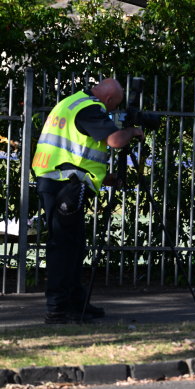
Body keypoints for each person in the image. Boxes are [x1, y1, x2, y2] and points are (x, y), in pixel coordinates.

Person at [32, 78, 144, 324]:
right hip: (64, 185)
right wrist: (132, 131)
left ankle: (75, 303)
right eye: (113, 108)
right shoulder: (90, 108)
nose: (111, 113)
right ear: (109, 99)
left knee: (73, 247)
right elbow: (114, 140)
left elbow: (76, 155)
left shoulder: (73, 103)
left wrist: (105, 179)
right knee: (63, 249)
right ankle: (58, 309)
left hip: (61, 181)